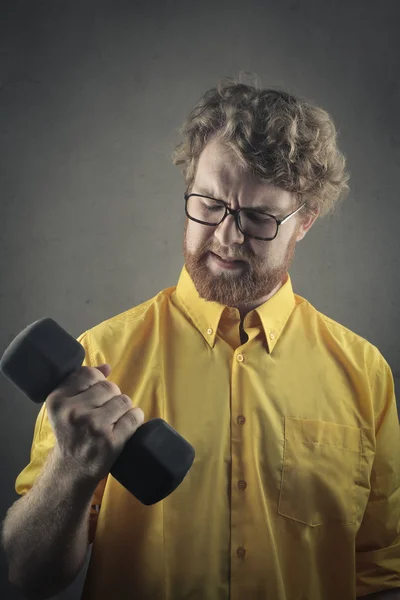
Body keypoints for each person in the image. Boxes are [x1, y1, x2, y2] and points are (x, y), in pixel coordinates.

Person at [4, 77, 400, 600]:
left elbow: (382, 573)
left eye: (259, 218)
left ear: (304, 221)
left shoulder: (364, 373)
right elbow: (24, 575)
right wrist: (71, 470)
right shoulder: (100, 359)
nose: (228, 236)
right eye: (209, 204)